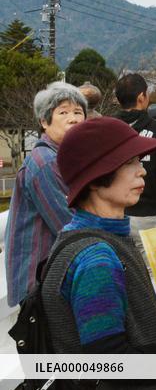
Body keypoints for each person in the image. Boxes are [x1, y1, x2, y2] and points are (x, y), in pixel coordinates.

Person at [42, 117, 156, 390]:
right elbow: (108, 363)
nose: (142, 172)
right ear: (95, 177)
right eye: (130, 163)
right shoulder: (96, 258)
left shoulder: (91, 238)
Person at [4, 82, 87, 307]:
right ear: (43, 122)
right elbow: (69, 223)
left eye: (78, 112)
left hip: (51, 274)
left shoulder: (62, 157)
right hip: (40, 280)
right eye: (63, 112)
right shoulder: (46, 162)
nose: (73, 118)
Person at [112, 73, 156, 240]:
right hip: (151, 214)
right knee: (153, 266)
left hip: (114, 213)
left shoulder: (108, 128)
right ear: (141, 97)